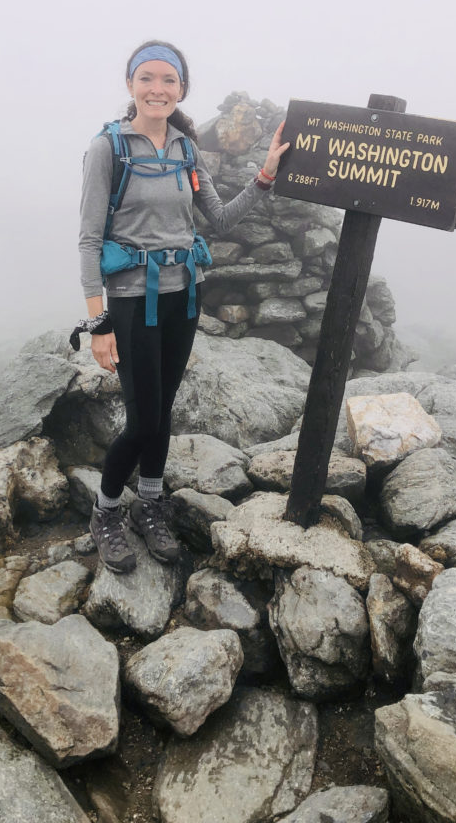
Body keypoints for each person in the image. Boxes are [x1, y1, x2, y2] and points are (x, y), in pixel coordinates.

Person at [77, 40, 289, 573]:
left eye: (168, 81)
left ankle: (150, 504)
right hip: (129, 301)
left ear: (181, 89)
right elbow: (88, 239)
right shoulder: (108, 149)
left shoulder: (185, 150)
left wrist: (264, 176)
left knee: (162, 409)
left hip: (182, 296)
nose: (157, 89)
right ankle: (105, 512)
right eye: (146, 78)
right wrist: (98, 320)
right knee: (143, 417)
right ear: (130, 85)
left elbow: (217, 219)